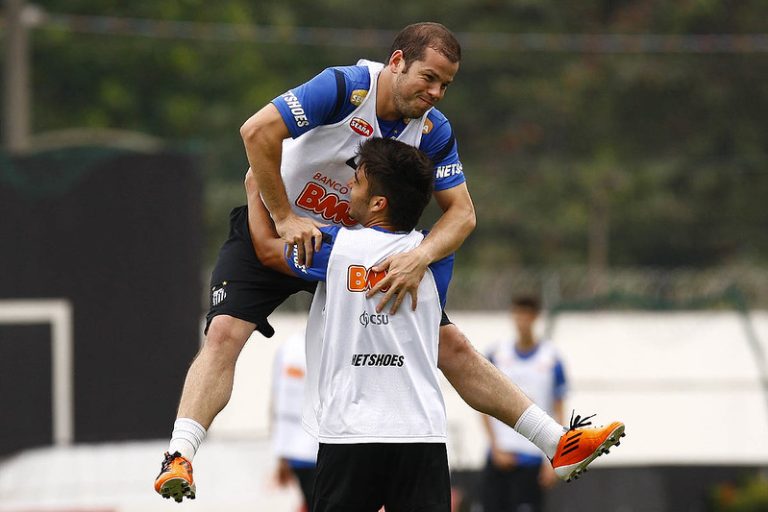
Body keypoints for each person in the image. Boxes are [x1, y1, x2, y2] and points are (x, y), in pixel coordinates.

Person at [154, 22, 625, 503]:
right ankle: (180, 456)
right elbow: (256, 132)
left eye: (446, 84)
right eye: (429, 78)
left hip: (350, 246)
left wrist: (419, 257)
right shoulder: (343, 88)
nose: (437, 93)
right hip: (281, 225)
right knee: (224, 333)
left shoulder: (433, 131)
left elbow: (462, 214)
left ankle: (558, 443)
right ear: (397, 62)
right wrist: (283, 214)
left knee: (452, 346)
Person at [257, 137, 455, 511]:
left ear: (379, 202)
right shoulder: (436, 257)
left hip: (350, 432)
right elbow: (457, 223)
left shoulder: (336, 247)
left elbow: (267, 249)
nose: (349, 185)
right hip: (420, 431)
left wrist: (256, 189)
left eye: (358, 181)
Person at [480, 295, 566, 512]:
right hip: (501, 456)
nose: (522, 320)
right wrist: (495, 446)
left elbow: (559, 410)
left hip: (532, 459)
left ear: (536, 317)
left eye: (527, 315)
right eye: (518, 314)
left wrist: (554, 459)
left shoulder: (551, 359)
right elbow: (483, 403)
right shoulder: (497, 355)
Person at [271, 328, 318, 510]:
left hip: (299, 452)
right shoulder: (337, 341)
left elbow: (277, 400)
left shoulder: (289, 347)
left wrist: (281, 453)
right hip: (323, 452)